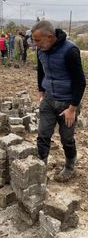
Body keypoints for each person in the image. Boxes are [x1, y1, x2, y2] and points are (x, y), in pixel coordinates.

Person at [31, 20, 86, 181]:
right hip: (49, 99)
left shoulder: (70, 51)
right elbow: (41, 72)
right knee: (43, 135)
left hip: (68, 102)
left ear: (50, 36)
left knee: (66, 138)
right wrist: (41, 92)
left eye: (38, 40)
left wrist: (72, 108)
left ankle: (70, 167)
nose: (36, 44)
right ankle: (40, 168)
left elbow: (80, 81)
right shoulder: (41, 50)